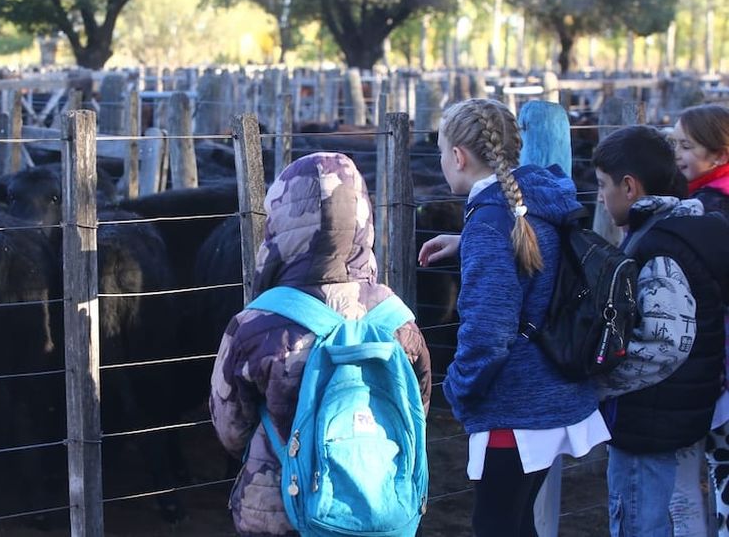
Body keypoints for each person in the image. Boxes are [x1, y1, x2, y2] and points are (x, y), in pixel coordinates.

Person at [209, 151, 431, 537]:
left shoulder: (257, 324)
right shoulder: (399, 320)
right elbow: (417, 410)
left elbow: (231, 430)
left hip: (281, 509)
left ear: (281, 224)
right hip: (379, 504)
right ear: (365, 219)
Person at [418, 98, 608, 537]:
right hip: (552, 390)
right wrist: (468, 240)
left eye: (442, 152)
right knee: (517, 523)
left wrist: (461, 391)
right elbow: (531, 262)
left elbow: (489, 329)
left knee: (496, 525)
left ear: (458, 157)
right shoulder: (534, 200)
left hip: (513, 405)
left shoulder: (492, 222)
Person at [593, 124, 729, 537]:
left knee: (639, 520)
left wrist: (602, 379)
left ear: (630, 187)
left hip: (648, 421)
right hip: (671, 412)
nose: (600, 195)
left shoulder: (660, 246)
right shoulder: (681, 228)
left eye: (603, 184)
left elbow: (665, 342)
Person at [669, 104, 729, 535]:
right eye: (674, 143)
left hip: (720, 367)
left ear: (720, 154)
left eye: (687, 146)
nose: (677, 154)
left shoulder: (708, 210)